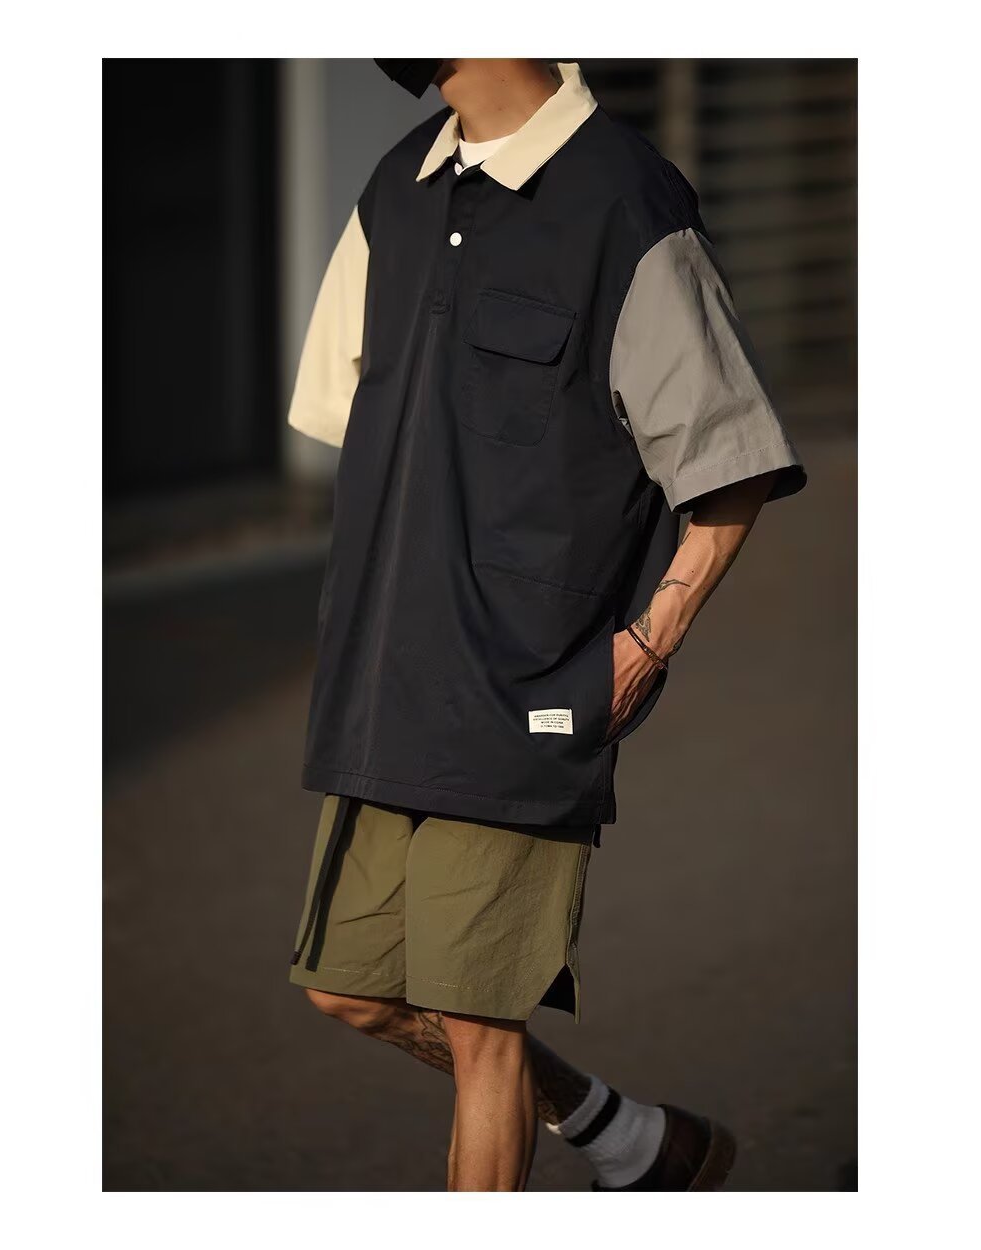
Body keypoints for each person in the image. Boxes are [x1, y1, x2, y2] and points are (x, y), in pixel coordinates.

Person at [285, 58, 806, 1192]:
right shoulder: (395, 190)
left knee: (481, 1024)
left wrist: (647, 642)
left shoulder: (622, 198)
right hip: (385, 682)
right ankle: (624, 1133)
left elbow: (729, 460)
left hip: (527, 694)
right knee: (348, 987)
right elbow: (341, 409)